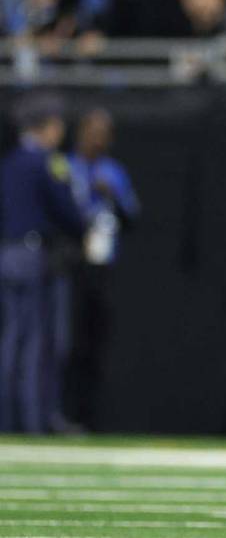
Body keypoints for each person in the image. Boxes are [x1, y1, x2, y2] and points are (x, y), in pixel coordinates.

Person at [0, 95, 85, 433]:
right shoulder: (48, 162)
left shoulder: (7, 162)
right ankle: (35, 422)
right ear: (48, 126)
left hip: (6, 254)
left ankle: (6, 421)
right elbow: (68, 211)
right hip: (33, 254)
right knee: (36, 342)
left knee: (10, 340)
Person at [65, 108, 140, 431]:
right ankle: (60, 413)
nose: (97, 138)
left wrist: (115, 197)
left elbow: (133, 216)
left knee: (96, 342)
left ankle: (89, 416)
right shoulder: (64, 167)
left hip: (103, 264)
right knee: (65, 341)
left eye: (103, 132)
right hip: (69, 266)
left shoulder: (114, 172)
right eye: (92, 130)